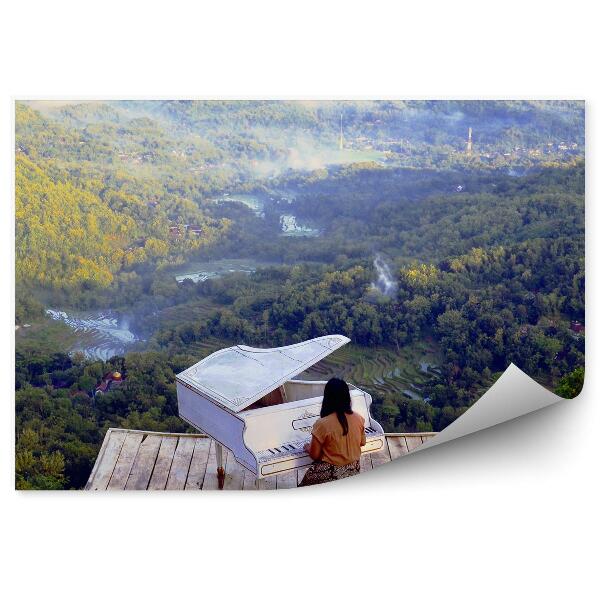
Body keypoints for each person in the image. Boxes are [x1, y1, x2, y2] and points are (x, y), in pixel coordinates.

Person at [298, 377, 366, 486]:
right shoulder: (359, 418)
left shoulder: (322, 424)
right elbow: (362, 442)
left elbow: (314, 455)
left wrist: (307, 447)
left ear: (327, 398)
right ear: (347, 397)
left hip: (330, 474)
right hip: (353, 470)